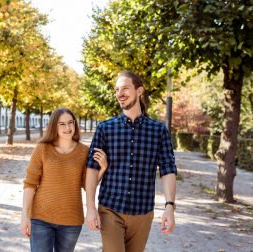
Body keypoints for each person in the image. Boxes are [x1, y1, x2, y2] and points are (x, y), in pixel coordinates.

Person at [85, 70, 177, 252]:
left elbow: (168, 169)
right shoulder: (105, 128)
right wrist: (90, 207)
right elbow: (91, 168)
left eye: (125, 88)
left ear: (139, 90)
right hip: (110, 208)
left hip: (143, 212)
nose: (120, 94)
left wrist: (170, 207)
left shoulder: (158, 131)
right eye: (117, 89)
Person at [20, 108, 107, 252]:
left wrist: (102, 168)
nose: (68, 128)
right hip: (41, 219)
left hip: (71, 221)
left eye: (70, 123)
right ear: (54, 126)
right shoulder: (42, 149)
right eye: (62, 124)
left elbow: (87, 185)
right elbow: (30, 184)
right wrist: (24, 216)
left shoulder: (84, 152)